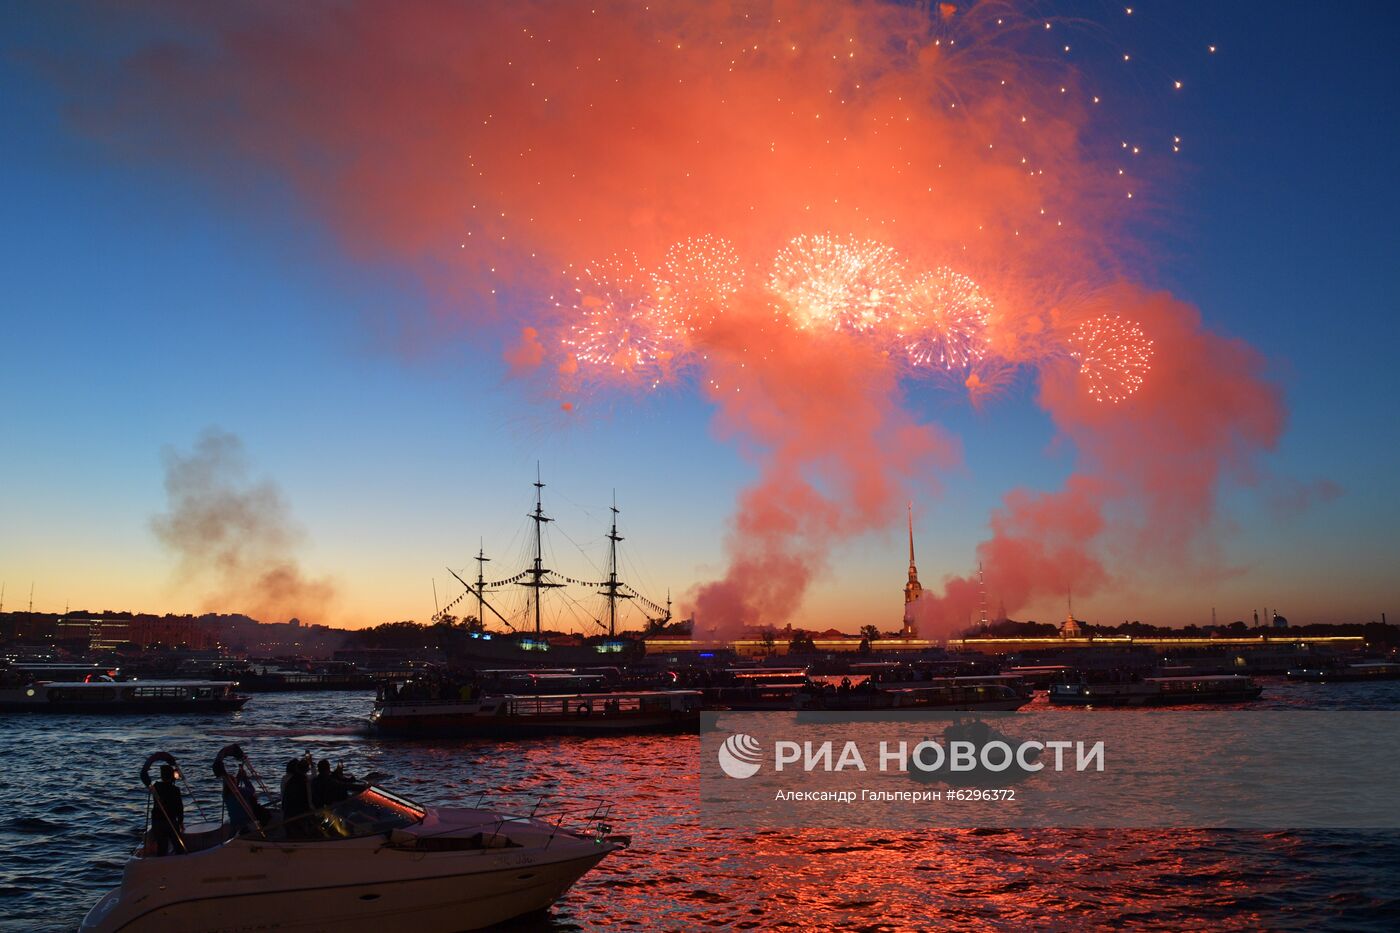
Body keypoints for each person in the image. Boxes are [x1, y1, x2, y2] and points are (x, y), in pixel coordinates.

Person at [150, 764, 184, 856]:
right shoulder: (175, 790)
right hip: (170, 821)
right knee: (178, 846)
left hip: (157, 821)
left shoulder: (155, 787)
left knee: (162, 847)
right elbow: (179, 807)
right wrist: (180, 822)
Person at [280, 758, 312, 837]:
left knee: (291, 832)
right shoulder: (304, 780)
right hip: (299, 812)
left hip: (287, 811)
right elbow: (308, 800)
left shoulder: (290, 780)